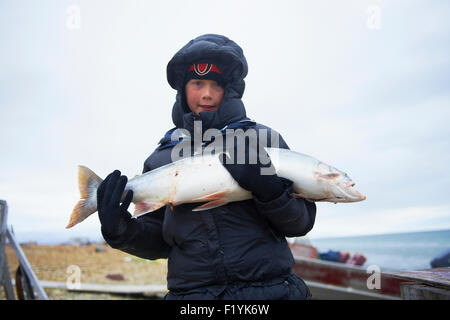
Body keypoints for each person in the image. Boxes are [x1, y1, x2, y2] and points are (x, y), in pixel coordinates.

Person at [97, 34, 317, 300]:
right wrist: (121, 231)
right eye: (197, 83)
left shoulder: (265, 141)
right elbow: (160, 242)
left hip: (271, 293)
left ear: (231, 89)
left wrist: (270, 191)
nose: (207, 94)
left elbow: (300, 223)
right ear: (182, 88)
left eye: (216, 84)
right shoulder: (161, 158)